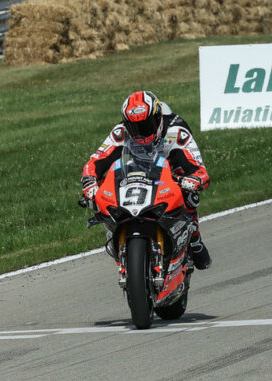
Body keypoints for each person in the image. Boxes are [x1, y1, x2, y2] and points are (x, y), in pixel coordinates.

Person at [80, 90, 212, 269]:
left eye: (146, 125)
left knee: (190, 197)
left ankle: (195, 240)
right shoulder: (121, 133)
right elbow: (96, 161)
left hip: (171, 173)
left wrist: (194, 179)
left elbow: (199, 169)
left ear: (158, 118)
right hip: (135, 175)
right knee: (104, 194)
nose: (141, 133)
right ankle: (119, 240)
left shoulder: (177, 132)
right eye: (135, 127)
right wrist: (90, 181)